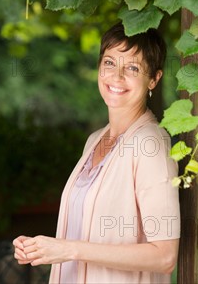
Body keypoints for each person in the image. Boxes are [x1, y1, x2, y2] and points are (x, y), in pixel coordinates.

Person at [13, 22, 180, 283]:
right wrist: (41, 248)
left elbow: (164, 256)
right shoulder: (95, 140)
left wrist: (68, 249)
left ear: (154, 79)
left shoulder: (151, 145)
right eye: (110, 63)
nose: (117, 76)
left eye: (133, 67)